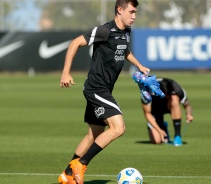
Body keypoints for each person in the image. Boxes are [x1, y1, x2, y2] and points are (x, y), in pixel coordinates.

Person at [58, 1, 149, 184]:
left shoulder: (126, 31)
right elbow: (75, 43)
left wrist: (139, 65)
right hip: (96, 88)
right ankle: (81, 164)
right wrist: (66, 72)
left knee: (94, 133)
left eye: (135, 12)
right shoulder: (104, 30)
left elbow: (124, 50)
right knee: (118, 128)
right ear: (120, 10)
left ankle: (67, 174)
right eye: (131, 12)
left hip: (104, 88)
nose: (134, 16)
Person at [137, 76, 193, 146]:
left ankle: (177, 136)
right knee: (157, 141)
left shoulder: (175, 88)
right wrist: (159, 130)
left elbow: (187, 105)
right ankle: (162, 126)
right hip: (154, 110)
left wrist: (189, 114)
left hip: (168, 106)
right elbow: (147, 114)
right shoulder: (147, 91)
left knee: (175, 99)